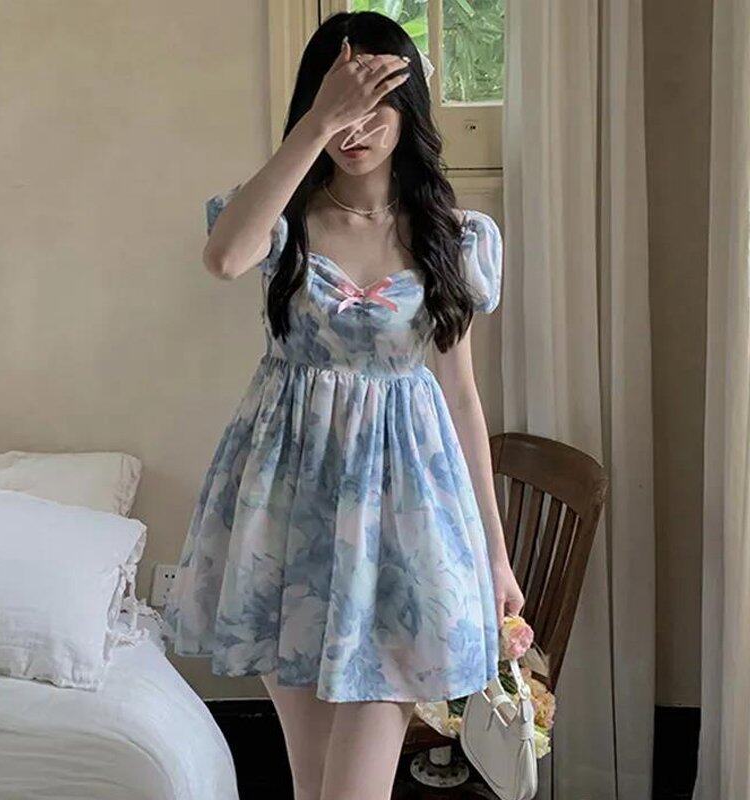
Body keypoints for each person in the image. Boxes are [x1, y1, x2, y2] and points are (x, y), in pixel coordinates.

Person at [164, 10, 524, 800]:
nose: (354, 129)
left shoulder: (454, 237)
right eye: (338, 107)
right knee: (312, 783)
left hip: (402, 522)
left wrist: (495, 555)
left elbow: (460, 397)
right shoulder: (279, 219)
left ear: (409, 109)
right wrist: (316, 123)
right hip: (285, 513)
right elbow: (224, 258)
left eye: (374, 107)